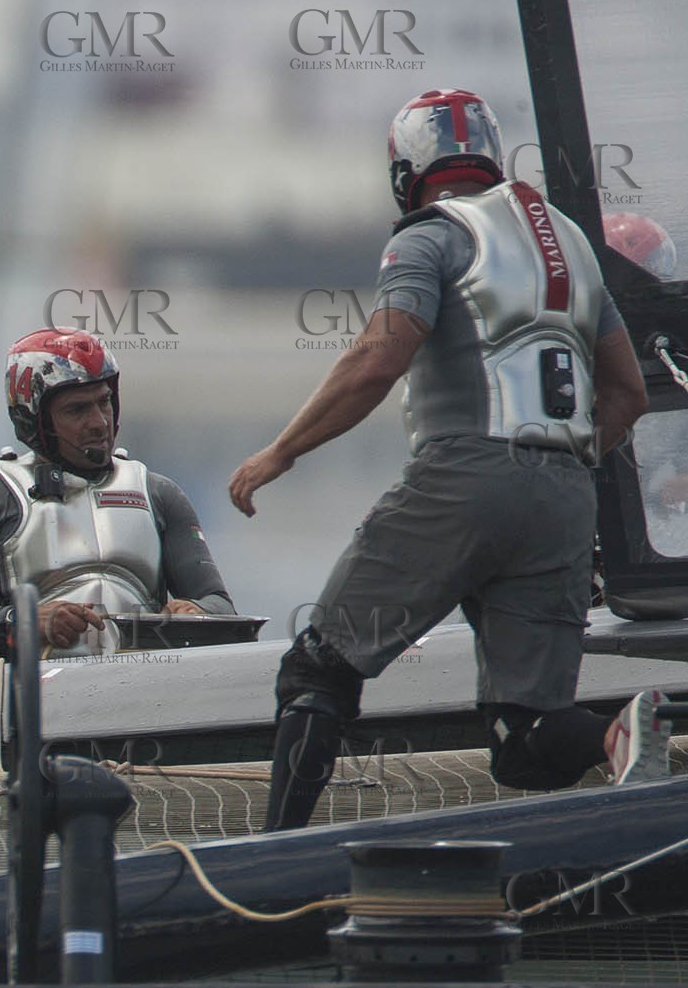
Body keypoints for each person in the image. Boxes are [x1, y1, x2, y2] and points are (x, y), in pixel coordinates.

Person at [227, 89, 656, 831]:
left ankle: (269, 852)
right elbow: (629, 392)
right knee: (526, 737)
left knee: (317, 667)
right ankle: (620, 732)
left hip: (463, 476)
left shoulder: (428, 235)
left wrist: (282, 450)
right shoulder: (574, 243)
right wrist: (561, 468)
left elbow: (379, 356)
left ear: (406, 170)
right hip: (564, 495)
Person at [0, 328, 236, 663]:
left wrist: (195, 612)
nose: (98, 423)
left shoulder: (159, 493)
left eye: (104, 402)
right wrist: (21, 622)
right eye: (77, 410)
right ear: (35, 419)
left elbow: (219, 604)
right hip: (27, 702)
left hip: (141, 700)